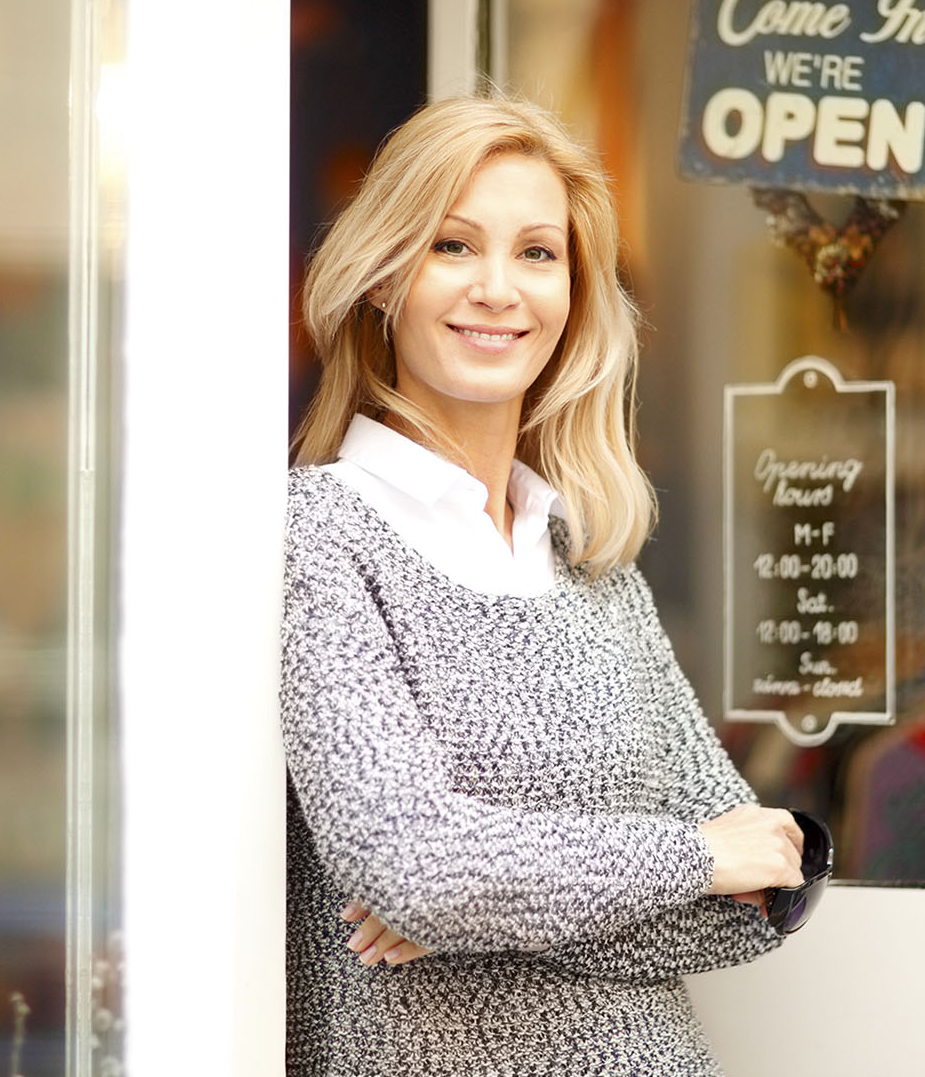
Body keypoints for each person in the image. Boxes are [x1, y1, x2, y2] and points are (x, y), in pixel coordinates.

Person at [282, 94, 807, 1075]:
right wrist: (687, 857)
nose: (498, 289)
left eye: (536, 253)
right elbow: (415, 866)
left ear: (572, 294)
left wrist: (487, 904)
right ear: (386, 278)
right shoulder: (321, 534)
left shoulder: (586, 555)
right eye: (452, 246)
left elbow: (759, 895)